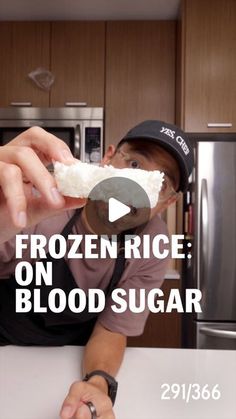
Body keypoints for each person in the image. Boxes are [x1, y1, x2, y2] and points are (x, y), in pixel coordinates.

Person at [0, 120, 194, 419]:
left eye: (160, 180)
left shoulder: (154, 243)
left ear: (167, 201)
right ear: (107, 158)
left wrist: (98, 384)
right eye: (133, 163)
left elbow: (111, 329)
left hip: (64, 367)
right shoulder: (44, 200)